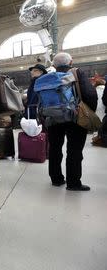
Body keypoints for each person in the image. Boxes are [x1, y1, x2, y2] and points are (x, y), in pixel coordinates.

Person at [45, 52, 97, 191]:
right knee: (74, 150)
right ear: (71, 62)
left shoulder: (48, 77)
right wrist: (88, 112)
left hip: (53, 117)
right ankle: (73, 183)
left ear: (54, 65)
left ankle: (56, 179)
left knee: (55, 148)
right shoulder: (76, 72)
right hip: (74, 117)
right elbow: (90, 94)